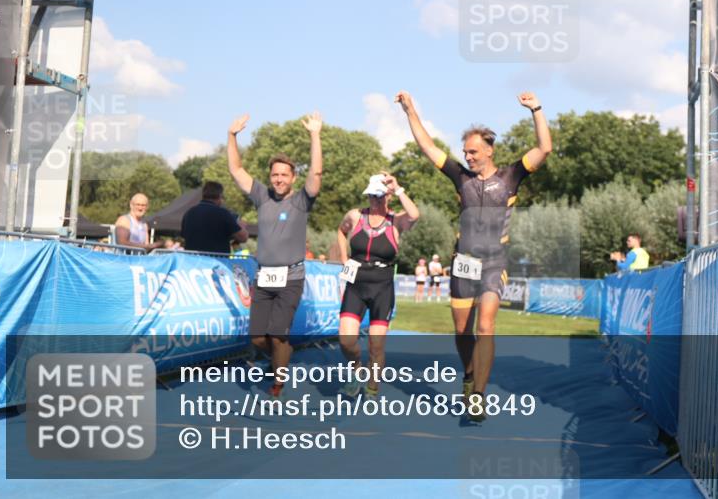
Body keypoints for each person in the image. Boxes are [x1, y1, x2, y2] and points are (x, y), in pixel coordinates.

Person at [396, 90, 551, 422]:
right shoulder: (459, 177)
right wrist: (410, 110)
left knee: (486, 324)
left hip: (495, 261)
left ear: (490, 150)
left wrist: (536, 109)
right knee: (462, 331)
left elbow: (544, 148)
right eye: (465, 151)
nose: (468, 156)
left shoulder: (511, 175)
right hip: (463, 262)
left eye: (474, 151)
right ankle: (469, 376)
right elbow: (427, 146)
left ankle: (479, 395)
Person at [227, 111, 323, 398]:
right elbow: (236, 170)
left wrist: (315, 135)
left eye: (284, 175)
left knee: (278, 333)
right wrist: (232, 136)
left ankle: (277, 384)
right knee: (258, 337)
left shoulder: (302, 200)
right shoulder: (262, 196)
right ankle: (281, 357)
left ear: (293, 178)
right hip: (264, 277)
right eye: (275, 175)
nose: (279, 179)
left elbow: (316, 174)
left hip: (291, 278)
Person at [337, 172, 418, 398]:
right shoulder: (356, 216)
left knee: (376, 345)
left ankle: (372, 388)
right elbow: (341, 231)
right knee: (346, 340)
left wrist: (398, 188)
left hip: (382, 287)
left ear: (388, 196)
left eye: (380, 196)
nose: (376, 201)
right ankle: (356, 371)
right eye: (372, 196)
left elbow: (415, 214)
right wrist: (344, 260)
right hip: (356, 284)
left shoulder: (396, 220)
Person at [181, 181, 249, 254]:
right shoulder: (224, 214)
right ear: (220, 196)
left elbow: (184, 236)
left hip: (191, 261)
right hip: (216, 262)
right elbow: (243, 238)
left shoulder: (189, 213)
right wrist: (241, 226)